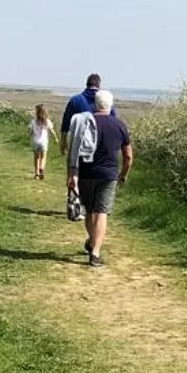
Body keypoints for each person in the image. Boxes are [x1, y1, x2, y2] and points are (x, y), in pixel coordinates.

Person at [67, 89, 132, 267]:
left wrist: (71, 174)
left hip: (86, 173)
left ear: (94, 104)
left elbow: (74, 150)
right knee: (101, 212)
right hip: (108, 175)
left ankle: (92, 239)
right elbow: (128, 156)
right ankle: (95, 253)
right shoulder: (120, 125)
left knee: (89, 211)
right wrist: (124, 175)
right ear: (110, 105)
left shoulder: (85, 123)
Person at [59, 73, 116, 154]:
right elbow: (114, 123)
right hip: (101, 147)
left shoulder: (75, 100)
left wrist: (63, 141)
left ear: (87, 84)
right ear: (99, 85)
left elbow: (66, 123)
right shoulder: (106, 102)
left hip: (80, 147)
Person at [29, 102, 52, 181]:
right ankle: (41, 167)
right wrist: (56, 138)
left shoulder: (33, 121)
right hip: (44, 142)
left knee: (36, 158)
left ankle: (36, 174)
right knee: (43, 157)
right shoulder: (47, 121)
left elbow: (30, 131)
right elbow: (51, 130)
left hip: (35, 141)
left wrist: (29, 136)